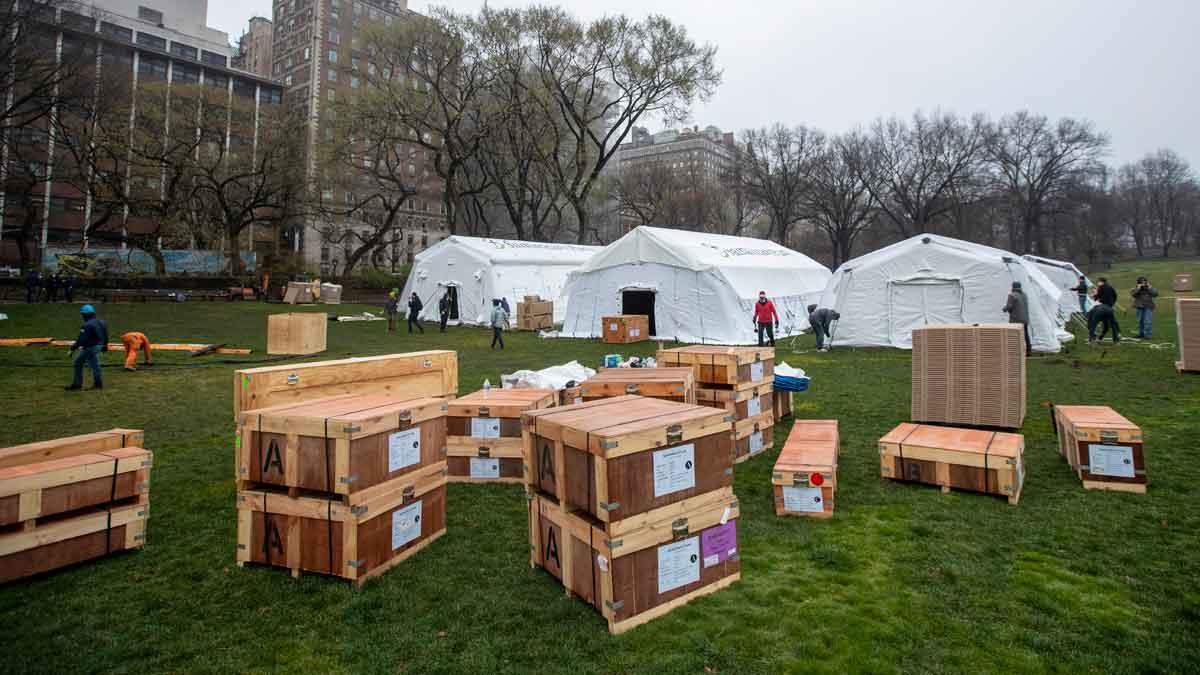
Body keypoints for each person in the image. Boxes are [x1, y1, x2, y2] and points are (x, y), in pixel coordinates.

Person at [66, 304, 108, 391]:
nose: (82, 316)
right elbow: (105, 335)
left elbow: (81, 340)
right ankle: (98, 384)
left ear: (85, 315)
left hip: (91, 348)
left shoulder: (87, 325)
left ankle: (77, 385)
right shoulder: (101, 322)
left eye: (82, 315)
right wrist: (105, 346)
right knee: (95, 365)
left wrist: (72, 349)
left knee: (78, 363)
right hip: (99, 346)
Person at [1003, 281, 1032, 356]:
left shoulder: (1012, 295)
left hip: (1016, 319)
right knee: (1025, 334)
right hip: (1025, 318)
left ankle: (1015, 351)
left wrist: (1004, 309)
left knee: (1014, 335)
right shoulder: (1024, 295)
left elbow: (1009, 306)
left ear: (1013, 287)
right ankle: (1028, 351)